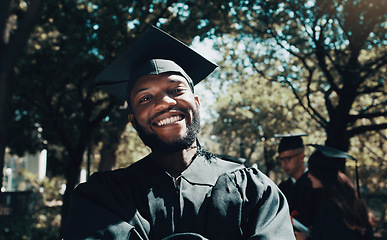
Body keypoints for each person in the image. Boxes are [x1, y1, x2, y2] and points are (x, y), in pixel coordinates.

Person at [63, 25, 295, 239]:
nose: (164, 102)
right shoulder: (105, 198)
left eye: (176, 90)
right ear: (133, 121)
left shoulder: (252, 191)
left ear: (196, 102)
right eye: (145, 98)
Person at [295, 145, 374, 240]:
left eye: (311, 171)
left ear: (320, 173)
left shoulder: (329, 207)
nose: (308, 176)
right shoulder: (352, 203)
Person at [276, 134, 317, 229]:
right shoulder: (282, 188)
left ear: (302, 156)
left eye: (287, 159)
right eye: (281, 159)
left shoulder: (315, 185)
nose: (283, 164)